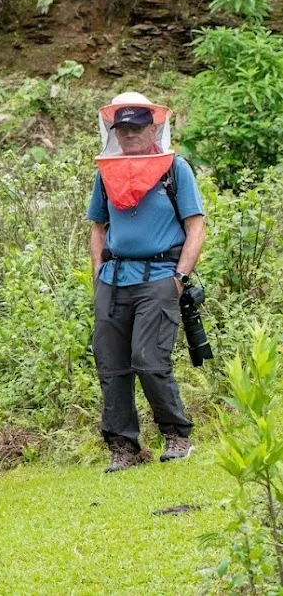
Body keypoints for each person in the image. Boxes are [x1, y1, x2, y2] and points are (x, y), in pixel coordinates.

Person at [88, 92, 204, 471]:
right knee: (111, 363)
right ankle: (125, 447)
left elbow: (195, 226)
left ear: (153, 127)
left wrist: (180, 278)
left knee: (149, 359)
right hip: (113, 278)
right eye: (122, 128)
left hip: (159, 275)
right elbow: (97, 227)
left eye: (137, 127)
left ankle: (176, 435)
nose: (129, 134)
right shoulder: (106, 172)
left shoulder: (175, 168)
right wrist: (97, 278)